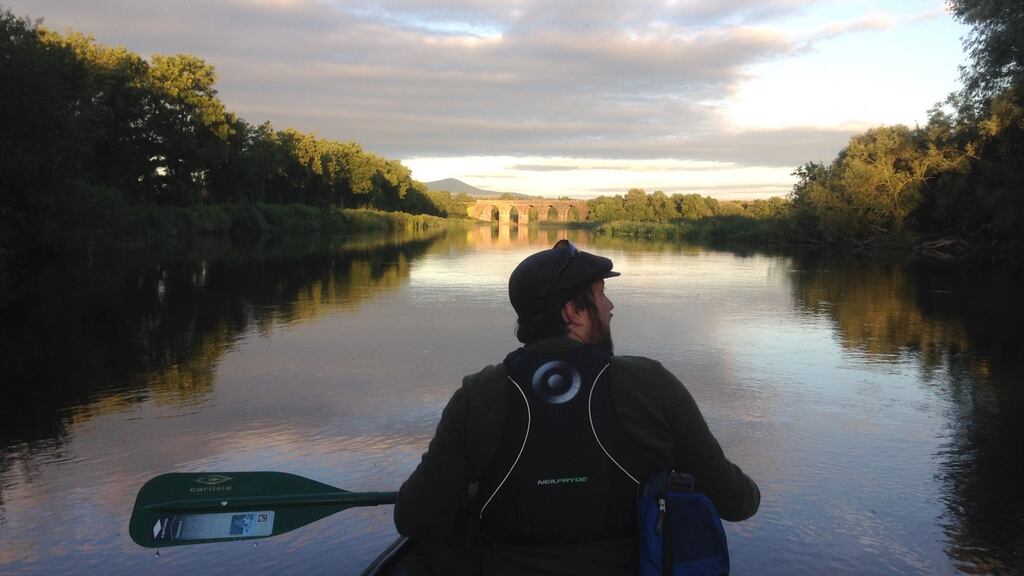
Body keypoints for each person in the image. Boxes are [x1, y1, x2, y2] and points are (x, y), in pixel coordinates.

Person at [394, 239, 760, 575]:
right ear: (574, 311)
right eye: (602, 294)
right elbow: (737, 503)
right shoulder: (650, 383)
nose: (611, 306)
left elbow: (415, 518)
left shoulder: (478, 394)